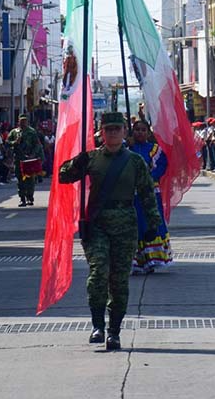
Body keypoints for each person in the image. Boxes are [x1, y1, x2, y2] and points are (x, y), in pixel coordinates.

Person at [59, 112, 160, 351]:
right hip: (98, 224)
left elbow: (147, 194)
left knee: (119, 281)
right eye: (108, 129)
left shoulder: (135, 162)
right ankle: (97, 325)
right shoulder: (92, 159)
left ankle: (114, 330)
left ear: (124, 132)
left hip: (126, 225)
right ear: (101, 132)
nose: (113, 133)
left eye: (117, 129)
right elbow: (63, 176)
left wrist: (153, 224)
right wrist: (77, 162)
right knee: (98, 274)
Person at [128, 120, 172, 273]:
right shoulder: (127, 148)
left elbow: (162, 166)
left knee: (151, 223)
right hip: (131, 195)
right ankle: (136, 260)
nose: (139, 132)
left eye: (143, 130)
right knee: (135, 225)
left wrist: (149, 178)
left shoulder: (155, 150)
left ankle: (152, 258)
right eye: (137, 129)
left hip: (151, 194)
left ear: (148, 132)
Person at [7, 115, 44, 207]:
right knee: (20, 179)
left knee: (30, 179)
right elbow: (7, 142)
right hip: (19, 159)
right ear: (18, 121)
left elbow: (37, 145)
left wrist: (33, 154)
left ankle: (30, 198)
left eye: (25, 121)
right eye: (21, 121)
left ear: (27, 121)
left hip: (29, 159)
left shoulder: (32, 132)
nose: (23, 122)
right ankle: (22, 198)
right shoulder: (14, 132)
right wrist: (15, 142)